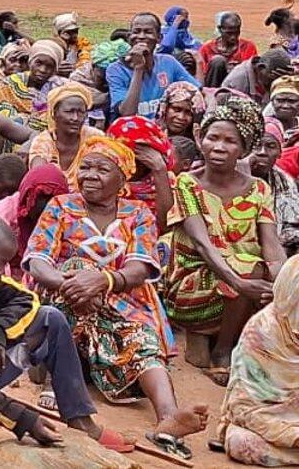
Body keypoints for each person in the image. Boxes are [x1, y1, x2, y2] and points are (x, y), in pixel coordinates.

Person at [23, 137, 207, 461]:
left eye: (102, 169)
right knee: (77, 269)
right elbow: (38, 260)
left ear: (122, 179)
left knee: (140, 338)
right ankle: (57, 381)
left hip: (123, 301)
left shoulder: (138, 213)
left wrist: (105, 280)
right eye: (86, 167)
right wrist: (71, 282)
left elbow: (140, 267)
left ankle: (168, 416)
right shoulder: (61, 206)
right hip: (65, 297)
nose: (90, 175)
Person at [0, 213, 130, 469]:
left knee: (50, 318)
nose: (2, 272)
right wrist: (22, 418)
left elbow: (27, 298)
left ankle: (80, 419)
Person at [163, 98, 286, 384]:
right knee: (249, 269)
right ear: (200, 139)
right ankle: (222, 350)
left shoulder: (259, 188)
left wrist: (281, 283)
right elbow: (202, 243)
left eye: (230, 141)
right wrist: (239, 282)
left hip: (245, 284)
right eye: (212, 138)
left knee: (275, 275)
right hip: (194, 286)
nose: (218, 147)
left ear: (244, 148)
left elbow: (271, 245)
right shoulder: (187, 183)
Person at [213, 255, 299, 466]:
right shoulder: (262, 334)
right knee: (243, 444)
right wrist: (290, 433)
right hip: (269, 424)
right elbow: (244, 409)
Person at [107, 12, 199, 120]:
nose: (141, 36)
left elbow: (196, 89)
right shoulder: (116, 70)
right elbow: (127, 113)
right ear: (129, 37)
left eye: (148, 32)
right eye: (136, 32)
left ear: (159, 38)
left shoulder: (168, 62)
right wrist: (138, 68)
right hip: (133, 130)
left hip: (163, 130)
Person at [0, 164, 70, 270]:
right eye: (41, 196)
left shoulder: (67, 216)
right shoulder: (0, 215)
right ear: (27, 197)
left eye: (52, 198)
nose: (48, 205)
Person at [107, 115, 176, 233]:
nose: (130, 163)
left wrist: (159, 169)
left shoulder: (166, 179)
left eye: (138, 154)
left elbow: (166, 227)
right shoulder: (104, 178)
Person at [28, 83, 103, 188]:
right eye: (69, 112)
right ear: (54, 113)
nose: (76, 118)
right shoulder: (43, 142)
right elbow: (39, 179)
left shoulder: (95, 138)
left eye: (81, 112)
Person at [0, 39, 68, 133]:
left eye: (50, 66)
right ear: (30, 62)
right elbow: (3, 113)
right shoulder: (9, 84)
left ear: (55, 70)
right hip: (10, 134)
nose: (43, 70)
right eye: (38, 63)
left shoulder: (61, 90)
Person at [251, 120, 299, 256]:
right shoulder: (229, 176)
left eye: (270, 146)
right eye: (256, 145)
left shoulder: (285, 182)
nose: (262, 152)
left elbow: (292, 227)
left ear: (279, 153)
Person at [199, 11, 258, 87]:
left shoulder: (248, 47)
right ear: (220, 29)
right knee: (218, 61)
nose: (233, 37)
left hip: (238, 87)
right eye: (229, 33)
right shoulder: (207, 48)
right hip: (213, 86)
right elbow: (201, 74)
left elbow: (253, 73)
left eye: (236, 33)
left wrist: (237, 69)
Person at [222, 47, 294, 104]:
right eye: (273, 78)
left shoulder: (262, 74)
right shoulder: (238, 80)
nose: (275, 82)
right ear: (261, 68)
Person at [268, 75, 299, 143]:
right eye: (280, 100)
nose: (285, 106)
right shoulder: (263, 126)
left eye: (292, 101)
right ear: (272, 102)